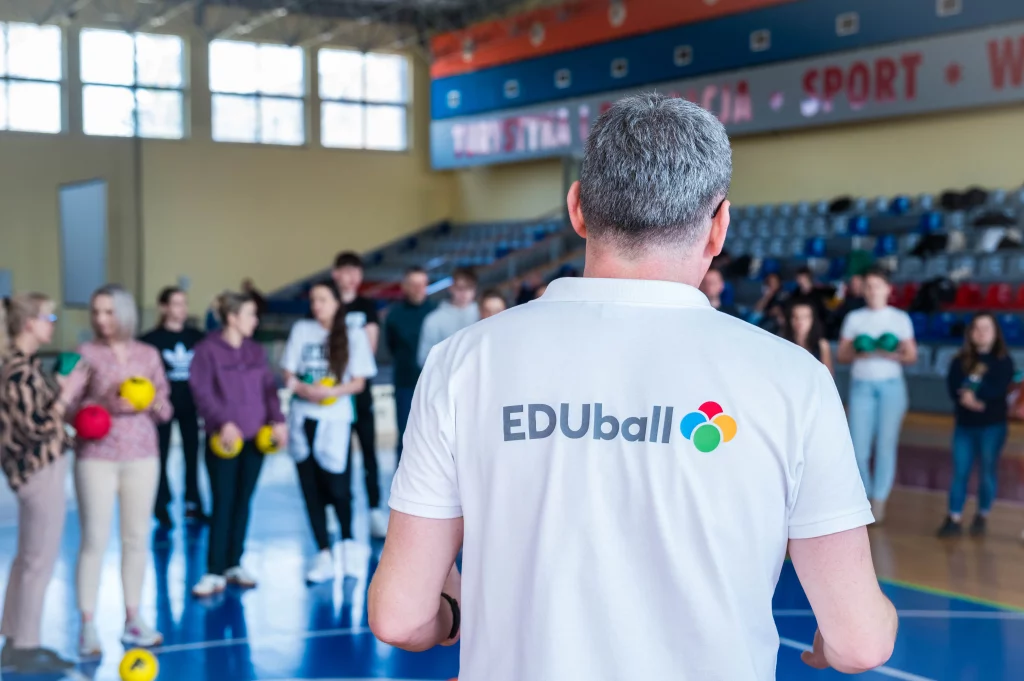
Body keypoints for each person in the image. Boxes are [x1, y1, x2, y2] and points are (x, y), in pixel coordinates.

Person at [368, 94, 897, 679]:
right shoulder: (794, 379)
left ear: (577, 208)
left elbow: (401, 617)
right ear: (719, 227)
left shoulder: (463, 361)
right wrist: (838, 642)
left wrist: (450, 612)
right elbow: (860, 643)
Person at [64, 284, 172, 655]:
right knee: (94, 539)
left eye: (108, 312)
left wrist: (148, 402)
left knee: (136, 538)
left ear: (125, 314)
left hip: (142, 454)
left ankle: (133, 619)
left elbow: (166, 410)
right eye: (96, 311)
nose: (101, 319)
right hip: (96, 455)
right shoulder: (84, 354)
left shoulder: (148, 354)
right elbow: (67, 408)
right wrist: (100, 405)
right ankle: (87, 625)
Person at [0, 295, 80, 673]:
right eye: (48, 317)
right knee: (39, 561)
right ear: (29, 323)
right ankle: (26, 648)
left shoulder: (24, 366)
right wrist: (66, 395)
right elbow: (35, 427)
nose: (52, 324)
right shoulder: (17, 370)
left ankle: (15, 637)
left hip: (38, 470)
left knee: (27, 558)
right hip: (38, 471)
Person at [188, 292, 287, 597]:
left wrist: (278, 419)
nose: (255, 321)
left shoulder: (255, 351)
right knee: (223, 502)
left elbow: (269, 389)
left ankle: (234, 564)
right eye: (250, 314)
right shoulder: (206, 351)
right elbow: (201, 392)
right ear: (232, 318)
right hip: (224, 442)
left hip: (256, 440)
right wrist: (222, 421)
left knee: (244, 501)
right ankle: (214, 571)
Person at [281, 280, 377, 583]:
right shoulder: (302, 330)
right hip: (303, 418)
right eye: (313, 300)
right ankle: (323, 552)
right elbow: (288, 373)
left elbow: (359, 382)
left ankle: (347, 547)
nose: (316, 305)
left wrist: (331, 392)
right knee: (311, 489)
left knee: (339, 488)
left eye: (322, 299)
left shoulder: (353, 334)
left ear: (337, 302)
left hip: (335, 420)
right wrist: (302, 388)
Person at [838, 267, 918, 523]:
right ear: (863, 290)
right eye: (868, 286)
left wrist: (892, 354)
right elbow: (842, 355)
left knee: (885, 445)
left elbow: (911, 356)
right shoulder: (854, 318)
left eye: (877, 286)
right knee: (858, 447)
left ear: (888, 289)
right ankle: (866, 496)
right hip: (862, 385)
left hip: (891, 386)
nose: (873, 291)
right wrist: (859, 352)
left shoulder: (899, 318)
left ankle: (880, 499)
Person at [938, 313, 1014, 537]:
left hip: (992, 426)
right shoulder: (959, 361)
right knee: (960, 470)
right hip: (965, 425)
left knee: (987, 471)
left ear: (995, 333)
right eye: (977, 328)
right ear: (970, 333)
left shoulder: (1003, 361)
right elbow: (953, 387)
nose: (981, 333)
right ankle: (954, 517)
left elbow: (999, 389)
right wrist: (967, 399)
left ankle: (982, 514)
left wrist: (977, 399)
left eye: (986, 328)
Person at [141, 287, 207, 528]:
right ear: (164, 307)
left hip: (191, 405)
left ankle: (193, 502)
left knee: (193, 456)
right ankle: (161, 505)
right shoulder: (150, 341)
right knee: (161, 455)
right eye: (176, 303)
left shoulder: (197, 338)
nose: (182, 309)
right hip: (162, 407)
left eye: (184, 303)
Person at [331, 252, 385, 537]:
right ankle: (338, 510)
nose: (352, 277)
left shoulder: (366, 306)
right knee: (336, 456)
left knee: (368, 453)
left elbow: (370, 349)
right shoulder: (326, 303)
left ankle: (375, 509)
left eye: (356, 271)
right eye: (346, 271)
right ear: (336, 274)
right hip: (333, 394)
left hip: (360, 390)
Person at [383, 266, 435, 463]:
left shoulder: (436, 312)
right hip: (405, 383)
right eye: (413, 284)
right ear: (404, 286)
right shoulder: (394, 314)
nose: (418, 288)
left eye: (422, 284)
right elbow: (391, 345)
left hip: (434, 384)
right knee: (405, 435)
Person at [417, 267, 479, 367]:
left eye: (469, 288)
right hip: (447, 373)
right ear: (451, 288)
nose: (464, 293)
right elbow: (424, 358)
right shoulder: (434, 319)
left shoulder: (484, 314)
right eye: (460, 288)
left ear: (475, 289)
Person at [784, 298, 834, 375]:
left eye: (805, 317)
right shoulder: (783, 343)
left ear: (813, 320)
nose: (800, 321)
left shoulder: (822, 345)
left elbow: (828, 376)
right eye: (795, 317)